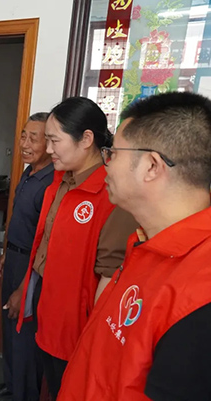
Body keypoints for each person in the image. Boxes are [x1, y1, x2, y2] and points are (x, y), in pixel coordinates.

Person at [58, 92, 211, 401]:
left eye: (113, 153)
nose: (106, 165)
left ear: (151, 166)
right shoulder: (145, 242)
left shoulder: (199, 301)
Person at [9, 97, 138, 400]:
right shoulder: (59, 180)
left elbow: (111, 276)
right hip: (48, 302)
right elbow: (44, 244)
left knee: (67, 385)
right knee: (49, 378)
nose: (48, 148)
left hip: (77, 320)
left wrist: (96, 339)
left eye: (54, 140)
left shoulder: (110, 193)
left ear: (86, 139)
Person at [0, 113, 54, 400]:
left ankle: (24, 394)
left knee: (24, 329)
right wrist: (7, 251)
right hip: (14, 257)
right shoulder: (28, 173)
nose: (24, 144)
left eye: (33, 139)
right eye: (23, 136)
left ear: (49, 143)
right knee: (10, 325)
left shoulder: (52, 182)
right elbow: (20, 221)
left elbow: (45, 240)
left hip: (32, 265)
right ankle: (12, 384)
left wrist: (24, 286)